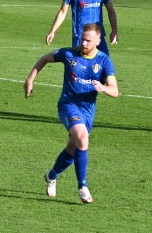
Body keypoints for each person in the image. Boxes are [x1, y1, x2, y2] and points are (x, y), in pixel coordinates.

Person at [25, 23, 119, 204]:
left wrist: (103, 87)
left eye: (88, 40)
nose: (83, 43)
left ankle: (51, 176)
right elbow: (44, 58)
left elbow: (115, 91)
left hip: (87, 110)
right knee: (82, 138)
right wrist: (30, 79)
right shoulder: (69, 54)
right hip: (68, 105)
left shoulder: (104, 61)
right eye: (82, 39)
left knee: (72, 147)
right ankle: (82, 186)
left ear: (98, 41)